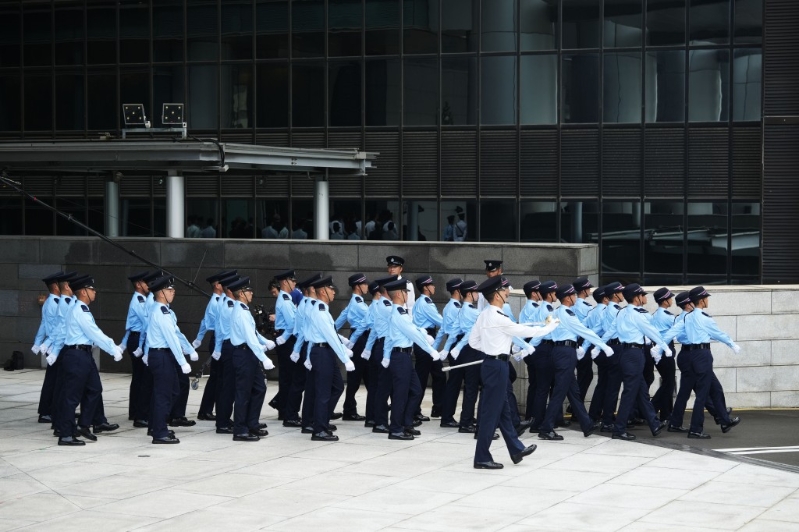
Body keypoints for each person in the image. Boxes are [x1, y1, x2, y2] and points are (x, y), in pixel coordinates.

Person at [469, 276, 558, 469]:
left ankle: (516, 449)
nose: (508, 291)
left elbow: (473, 342)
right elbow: (523, 330)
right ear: (498, 295)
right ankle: (481, 457)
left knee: (503, 412)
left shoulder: (484, 315)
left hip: (490, 364)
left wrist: (493, 347)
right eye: (504, 290)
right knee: (491, 414)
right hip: (497, 367)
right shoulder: (497, 317)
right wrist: (549, 327)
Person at [54, 275, 124, 446]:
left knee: (94, 389)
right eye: (92, 289)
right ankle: (66, 434)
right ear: (84, 292)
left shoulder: (79, 308)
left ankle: (84, 425)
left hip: (83, 355)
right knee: (72, 397)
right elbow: (94, 333)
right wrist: (112, 348)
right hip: (77, 355)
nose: (95, 292)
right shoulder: (80, 310)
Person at [537, 284, 611, 441]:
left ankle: (587, 424)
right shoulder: (567, 314)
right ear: (567, 298)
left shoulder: (554, 312)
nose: (575, 298)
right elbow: (584, 331)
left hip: (559, 352)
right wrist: (603, 346)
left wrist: (530, 345)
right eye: (573, 296)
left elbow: (544, 330)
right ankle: (546, 427)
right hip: (565, 353)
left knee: (573, 391)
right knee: (560, 391)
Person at [597, 283, 671, 441]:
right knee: (629, 393)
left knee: (641, 390)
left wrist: (600, 345)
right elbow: (650, 331)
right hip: (634, 354)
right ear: (636, 297)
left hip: (625, 353)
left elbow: (611, 331)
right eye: (641, 295)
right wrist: (664, 346)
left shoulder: (621, 313)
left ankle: (654, 423)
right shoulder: (636, 314)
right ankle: (619, 429)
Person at [381, 278, 444, 440]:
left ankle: (406, 423)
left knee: (415, 391)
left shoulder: (401, 312)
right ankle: (395, 429)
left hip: (404, 356)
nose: (407, 295)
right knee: (401, 395)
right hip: (400, 357)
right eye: (405, 292)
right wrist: (430, 350)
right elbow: (412, 333)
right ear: (400, 294)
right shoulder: (398, 314)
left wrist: (425, 335)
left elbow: (413, 328)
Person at [678, 286, 741, 438]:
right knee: (702, 394)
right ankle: (695, 429)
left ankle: (724, 421)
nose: (707, 300)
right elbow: (719, 334)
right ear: (701, 300)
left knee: (716, 389)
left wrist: (660, 347)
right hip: (702, 356)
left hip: (693, 355)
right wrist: (732, 344)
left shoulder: (688, 317)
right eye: (706, 298)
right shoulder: (704, 318)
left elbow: (675, 331)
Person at [304, 276, 356, 441]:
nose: (334, 291)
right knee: (323, 393)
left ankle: (322, 422)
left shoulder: (323, 309)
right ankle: (319, 430)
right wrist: (345, 359)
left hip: (324, 352)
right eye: (331, 289)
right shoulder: (319, 311)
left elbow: (332, 335)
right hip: (322, 353)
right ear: (323, 291)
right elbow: (329, 336)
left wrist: (343, 347)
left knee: (337, 387)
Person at [228, 277, 276, 441]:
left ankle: (251, 424)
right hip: (244, 354)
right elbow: (249, 338)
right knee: (243, 393)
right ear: (241, 293)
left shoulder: (243, 309)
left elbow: (253, 333)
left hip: (248, 354)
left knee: (259, 389)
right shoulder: (240, 312)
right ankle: (240, 430)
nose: (251, 293)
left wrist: (264, 341)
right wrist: (264, 358)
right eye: (248, 291)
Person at [193, 270, 237, 421]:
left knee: (218, 378)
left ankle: (210, 410)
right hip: (218, 340)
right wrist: (198, 339)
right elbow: (205, 322)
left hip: (219, 339)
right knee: (218, 379)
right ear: (217, 285)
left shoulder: (223, 300)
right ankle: (208, 411)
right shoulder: (216, 302)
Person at [334, 273, 372, 421]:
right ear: (357, 286)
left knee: (365, 375)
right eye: (364, 284)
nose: (367, 286)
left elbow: (338, 322)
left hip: (358, 339)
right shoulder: (358, 305)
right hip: (360, 340)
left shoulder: (353, 303)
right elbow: (373, 317)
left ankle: (372, 403)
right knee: (357, 376)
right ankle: (350, 409)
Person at [120, 271, 152, 427]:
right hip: (138, 339)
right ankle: (140, 415)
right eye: (146, 283)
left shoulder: (142, 299)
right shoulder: (139, 301)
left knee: (139, 377)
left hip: (136, 338)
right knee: (143, 378)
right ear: (139, 284)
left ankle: (135, 411)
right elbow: (147, 321)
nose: (149, 286)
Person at [412, 275, 445, 421]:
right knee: (421, 377)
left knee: (438, 374)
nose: (434, 287)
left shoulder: (421, 301)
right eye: (431, 284)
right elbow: (441, 321)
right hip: (425, 340)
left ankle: (438, 407)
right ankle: (414, 410)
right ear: (425, 287)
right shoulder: (425, 303)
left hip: (426, 340)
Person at [32, 271, 63, 424]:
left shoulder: (52, 302)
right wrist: (43, 344)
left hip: (53, 345)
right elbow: (56, 328)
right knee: (53, 380)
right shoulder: (54, 304)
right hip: (54, 346)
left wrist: (37, 343)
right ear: (56, 286)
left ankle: (52, 409)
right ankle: (46, 411)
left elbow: (43, 325)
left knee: (55, 380)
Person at [273, 270, 300, 424]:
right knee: (289, 378)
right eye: (292, 280)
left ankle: (284, 410)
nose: (294, 283)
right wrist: (284, 338)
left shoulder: (286, 299)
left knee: (286, 377)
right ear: (285, 282)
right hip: (287, 340)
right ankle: (288, 413)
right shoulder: (284, 300)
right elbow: (292, 325)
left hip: (286, 339)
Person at [437, 278, 465, 428]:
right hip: (455, 344)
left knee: (455, 382)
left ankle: (448, 415)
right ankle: (447, 417)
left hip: (454, 344)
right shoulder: (454, 308)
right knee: (454, 383)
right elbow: (454, 331)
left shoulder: (452, 307)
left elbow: (442, 329)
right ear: (457, 291)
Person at [650, 287, 677, 423]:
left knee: (667, 381)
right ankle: (652, 408)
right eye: (670, 298)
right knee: (669, 382)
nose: (671, 300)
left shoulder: (654, 315)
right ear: (665, 301)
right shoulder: (668, 317)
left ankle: (666, 414)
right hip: (665, 351)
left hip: (656, 352)